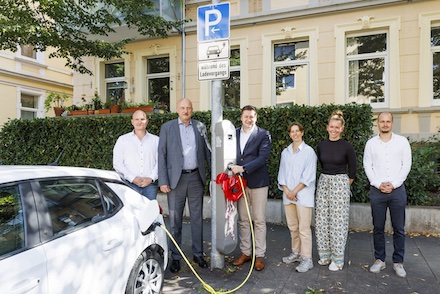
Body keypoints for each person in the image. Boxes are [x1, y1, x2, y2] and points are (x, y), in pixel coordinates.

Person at [158, 98, 211, 273]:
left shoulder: (200, 126)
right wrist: (163, 181)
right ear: (177, 109)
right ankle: (175, 257)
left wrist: (216, 176)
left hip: (196, 177)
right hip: (175, 180)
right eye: (182, 108)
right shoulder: (167, 128)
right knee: (175, 220)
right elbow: (162, 155)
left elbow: (208, 152)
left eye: (188, 108)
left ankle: (198, 254)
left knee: (197, 218)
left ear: (192, 109)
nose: (186, 110)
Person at [363, 112, 412, 278]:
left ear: (392, 123)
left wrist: (394, 184)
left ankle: (398, 262)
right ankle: (379, 260)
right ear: (377, 123)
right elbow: (367, 166)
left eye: (387, 121)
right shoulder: (370, 143)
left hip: (397, 191)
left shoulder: (402, 142)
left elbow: (406, 165)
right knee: (378, 227)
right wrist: (378, 184)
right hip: (377, 191)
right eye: (382, 121)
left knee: (399, 228)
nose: (385, 124)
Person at [231, 105, 272, 271]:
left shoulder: (263, 134)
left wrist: (243, 168)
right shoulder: (233, 133)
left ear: (256, 118)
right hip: (239, 185)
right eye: (246, 116)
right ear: (241, 117)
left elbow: (263, 157)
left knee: (259, 220)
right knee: (243, 220)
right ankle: (246, 252)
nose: (249, 119)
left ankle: (260, 255)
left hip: (258, 183)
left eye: (252, 117)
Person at [315, 110, 357, 271]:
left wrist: (342, 185)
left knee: (338, 222)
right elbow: (321, 163)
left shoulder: (347, 146)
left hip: (340, 182)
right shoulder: (321, 145)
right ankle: (325, 256)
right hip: (324, 181)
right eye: (331, 127)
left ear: (342, 129)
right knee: (322, 220)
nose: (334, 130)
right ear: (327, 127)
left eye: (337, 127)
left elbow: (352, 170)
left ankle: (338, 260)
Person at [277, 122, 317, 273]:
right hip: (288, 196)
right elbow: (282, 174)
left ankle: (307, 259)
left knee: (304, 228)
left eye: (297, 131)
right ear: (289, 134)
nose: (295, 134)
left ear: (302, 132)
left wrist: (294, 192)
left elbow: (309, 176)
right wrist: (288, 191)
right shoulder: (285, 152)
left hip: (303, 196)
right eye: (292, 132)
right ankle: (296, 253)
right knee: (293, 227)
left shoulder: (309, 152)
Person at [113, 110, 159, 200]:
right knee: (131, 213)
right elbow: (117, 163)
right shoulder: (122, 140)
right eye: (137, 119)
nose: (139, 122)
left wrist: (151, 178)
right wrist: (132, 178)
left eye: (142, 119)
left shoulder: (156, 140)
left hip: (150, 186)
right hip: (129, 185)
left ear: (147, 121)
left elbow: (161, 162)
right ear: (132, 122)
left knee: (149, 213)